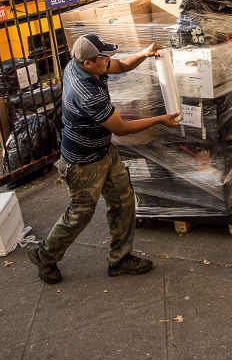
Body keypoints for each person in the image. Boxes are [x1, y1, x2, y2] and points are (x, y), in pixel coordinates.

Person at [28, 33, 181, 284]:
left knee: (122, 200)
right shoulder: (87, 92)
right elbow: (120, 128)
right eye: (103, 57)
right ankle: (45, 255)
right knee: (80, 214)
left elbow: (119, 65)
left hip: (103, 151)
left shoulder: (82, 64)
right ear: (88, 63)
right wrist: (160, 119)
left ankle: (120, 259)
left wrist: (143, 54)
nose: (108, 60)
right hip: (82, 162)